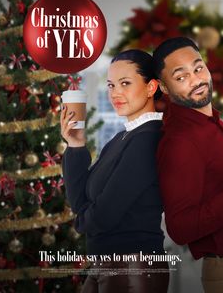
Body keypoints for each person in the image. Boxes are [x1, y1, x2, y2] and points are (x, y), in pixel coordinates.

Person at [61, 49, 169, 293]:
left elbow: (105, 215)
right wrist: (76, 143)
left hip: (134, 269)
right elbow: (80, 200)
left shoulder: (148, 139)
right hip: (106, 265)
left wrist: (81, 222)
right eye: (110, 85)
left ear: (151, 87)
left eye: (125, 83)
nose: (115, 93)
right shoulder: (122, 137)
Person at [152, 36, 223, 293]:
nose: (196, 80)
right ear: (164, 86)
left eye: (198, 68)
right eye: (181, 76)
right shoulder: (180, 142)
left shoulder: (210, 123)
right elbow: (180, 228)